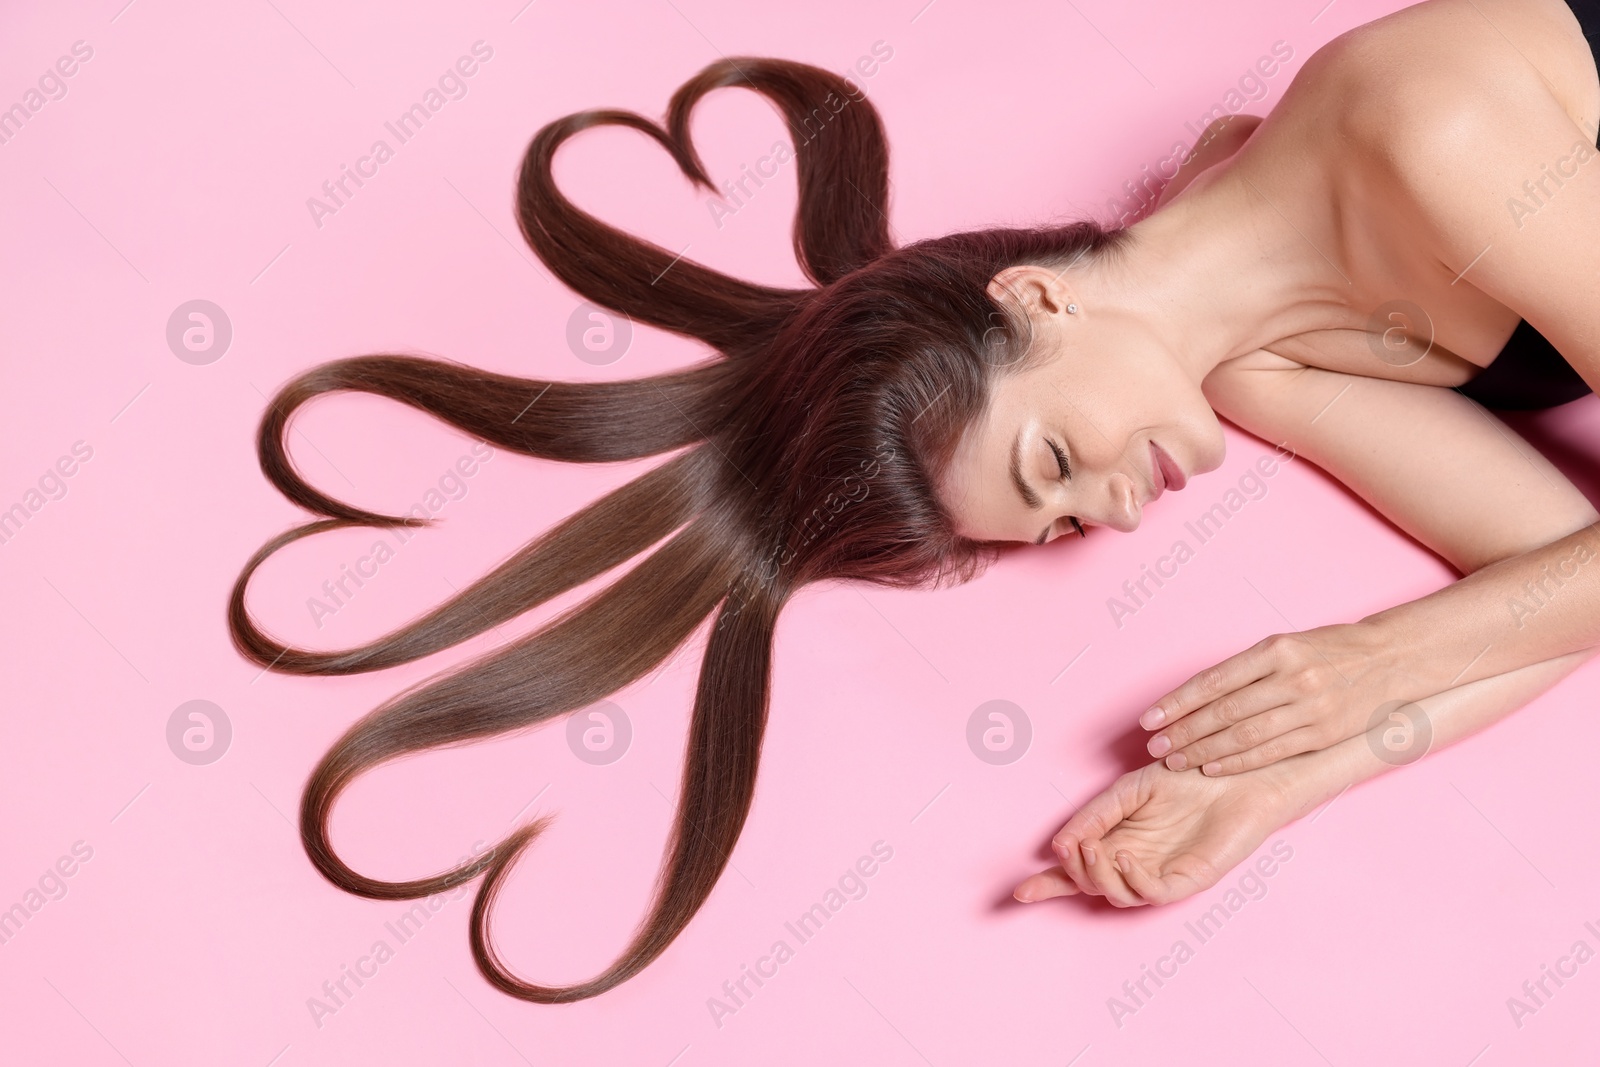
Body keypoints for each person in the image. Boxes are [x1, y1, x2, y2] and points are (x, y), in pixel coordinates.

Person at [229, 0, 1600, 1001]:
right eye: (1063, 521)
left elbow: (1524, 602)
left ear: (1038, 297)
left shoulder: (1433, 132)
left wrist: (1381, 660)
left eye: (1054, 465)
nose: (1115, 519)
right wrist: (1269, 787)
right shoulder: (1250, 369)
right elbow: (1551, 583)